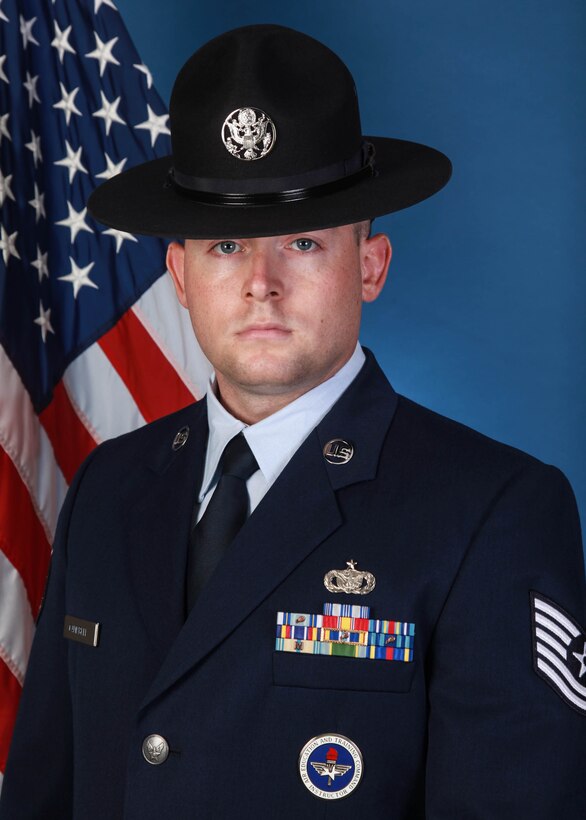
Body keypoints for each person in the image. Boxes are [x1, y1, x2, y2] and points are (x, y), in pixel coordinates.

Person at [1, 23, 585, 820]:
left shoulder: (492, 511)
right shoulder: (110, 486)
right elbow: (46, 791)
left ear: (369, 268)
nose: (260, 285)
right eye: (227, 245)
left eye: (303, 241)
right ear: (179, 275)